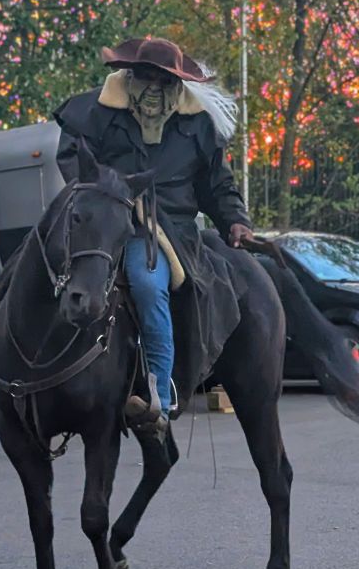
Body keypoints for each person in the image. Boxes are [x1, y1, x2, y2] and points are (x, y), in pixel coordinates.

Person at [53, 37, 253, 438]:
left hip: (171, 231)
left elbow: (217, 184)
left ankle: (160, 392)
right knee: (35, 262)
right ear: (128, 73)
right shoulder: (94, 111)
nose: (152, 86)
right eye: (144, 76)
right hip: (106, 219)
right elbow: (73, 161)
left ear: (176, 82)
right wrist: (104, 199)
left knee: (146, 282)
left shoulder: (198, 124)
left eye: (163, 79)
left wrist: (234, 219)